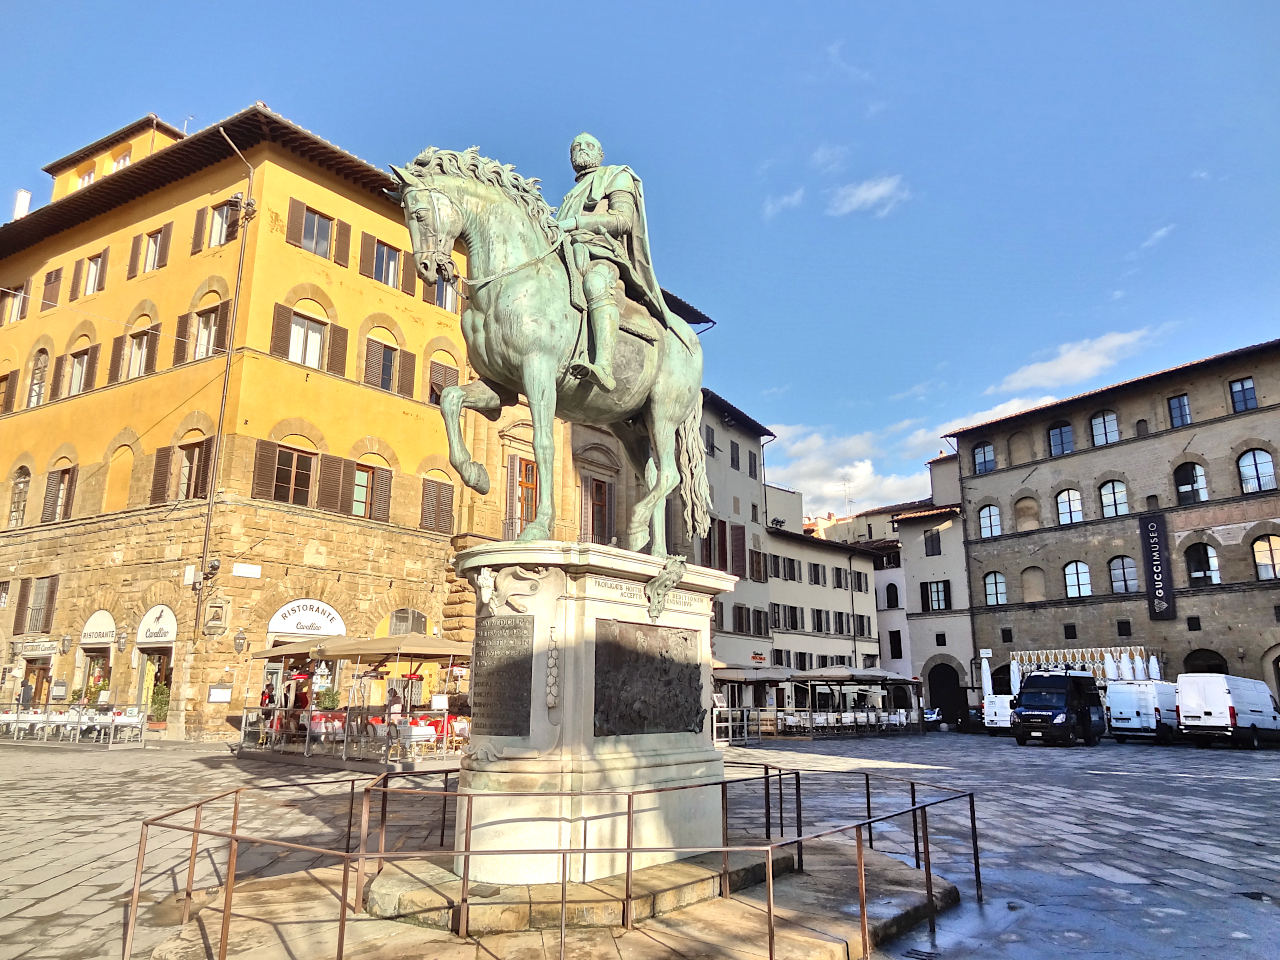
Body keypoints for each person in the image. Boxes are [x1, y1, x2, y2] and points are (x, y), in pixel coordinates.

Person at [556, 133, 697, 392]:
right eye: (575, 147)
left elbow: (622, 220)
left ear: (600, 155)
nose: (581, 149)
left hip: (602, 254)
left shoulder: (616, 176)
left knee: (596, 284)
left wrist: (577, 223)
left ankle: (605, 367)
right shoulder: (569, 196)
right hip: (568, 253)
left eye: (589, 145)